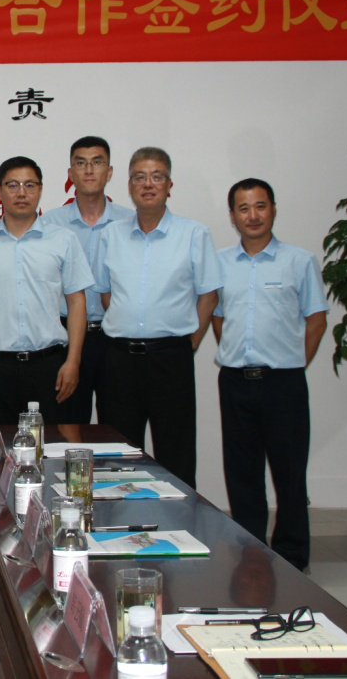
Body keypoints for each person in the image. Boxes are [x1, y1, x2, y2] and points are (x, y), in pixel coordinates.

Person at [213, 178, 328, 571]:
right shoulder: (220, 263)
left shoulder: (299, 261)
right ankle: (251, 550)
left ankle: (293, 556)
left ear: (273, 209)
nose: (253, 215)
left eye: (260, 206)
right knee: (241, 473)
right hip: (235, 381)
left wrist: (294, 361)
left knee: (289, 473)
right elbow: (218, 318)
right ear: (233, 216)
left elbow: (316, 320)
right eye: (243, 208)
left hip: (284, 383)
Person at [93, 147, 220, 489]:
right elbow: (106, 294)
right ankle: (120, 520)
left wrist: (188, 343)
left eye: (156, 176)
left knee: (176, 454)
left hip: (171, 359)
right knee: (117, 458)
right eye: (139, 177)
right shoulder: (111, 235)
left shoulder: (193, 234)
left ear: (169, 185)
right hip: (119, 359)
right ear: (129, 185)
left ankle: (180, 521)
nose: (147, 184)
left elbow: (209, 295)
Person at [0, 156, 92, 429]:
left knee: (50, 447)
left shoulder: (63, 239)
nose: (21, 193)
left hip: (48, 365)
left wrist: (73, 361)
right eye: (12, 185)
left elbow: (77, 303)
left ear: (40, 190)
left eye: (29, 185)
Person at [40, 136, 134, 424]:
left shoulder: (130, 223)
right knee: (67, 425)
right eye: (81, 163)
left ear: (110, 171)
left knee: (118, 425)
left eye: (97, 162)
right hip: (65, 335)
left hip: (114, 337)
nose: (89, 170)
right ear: (71, 173)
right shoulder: (49, 224)